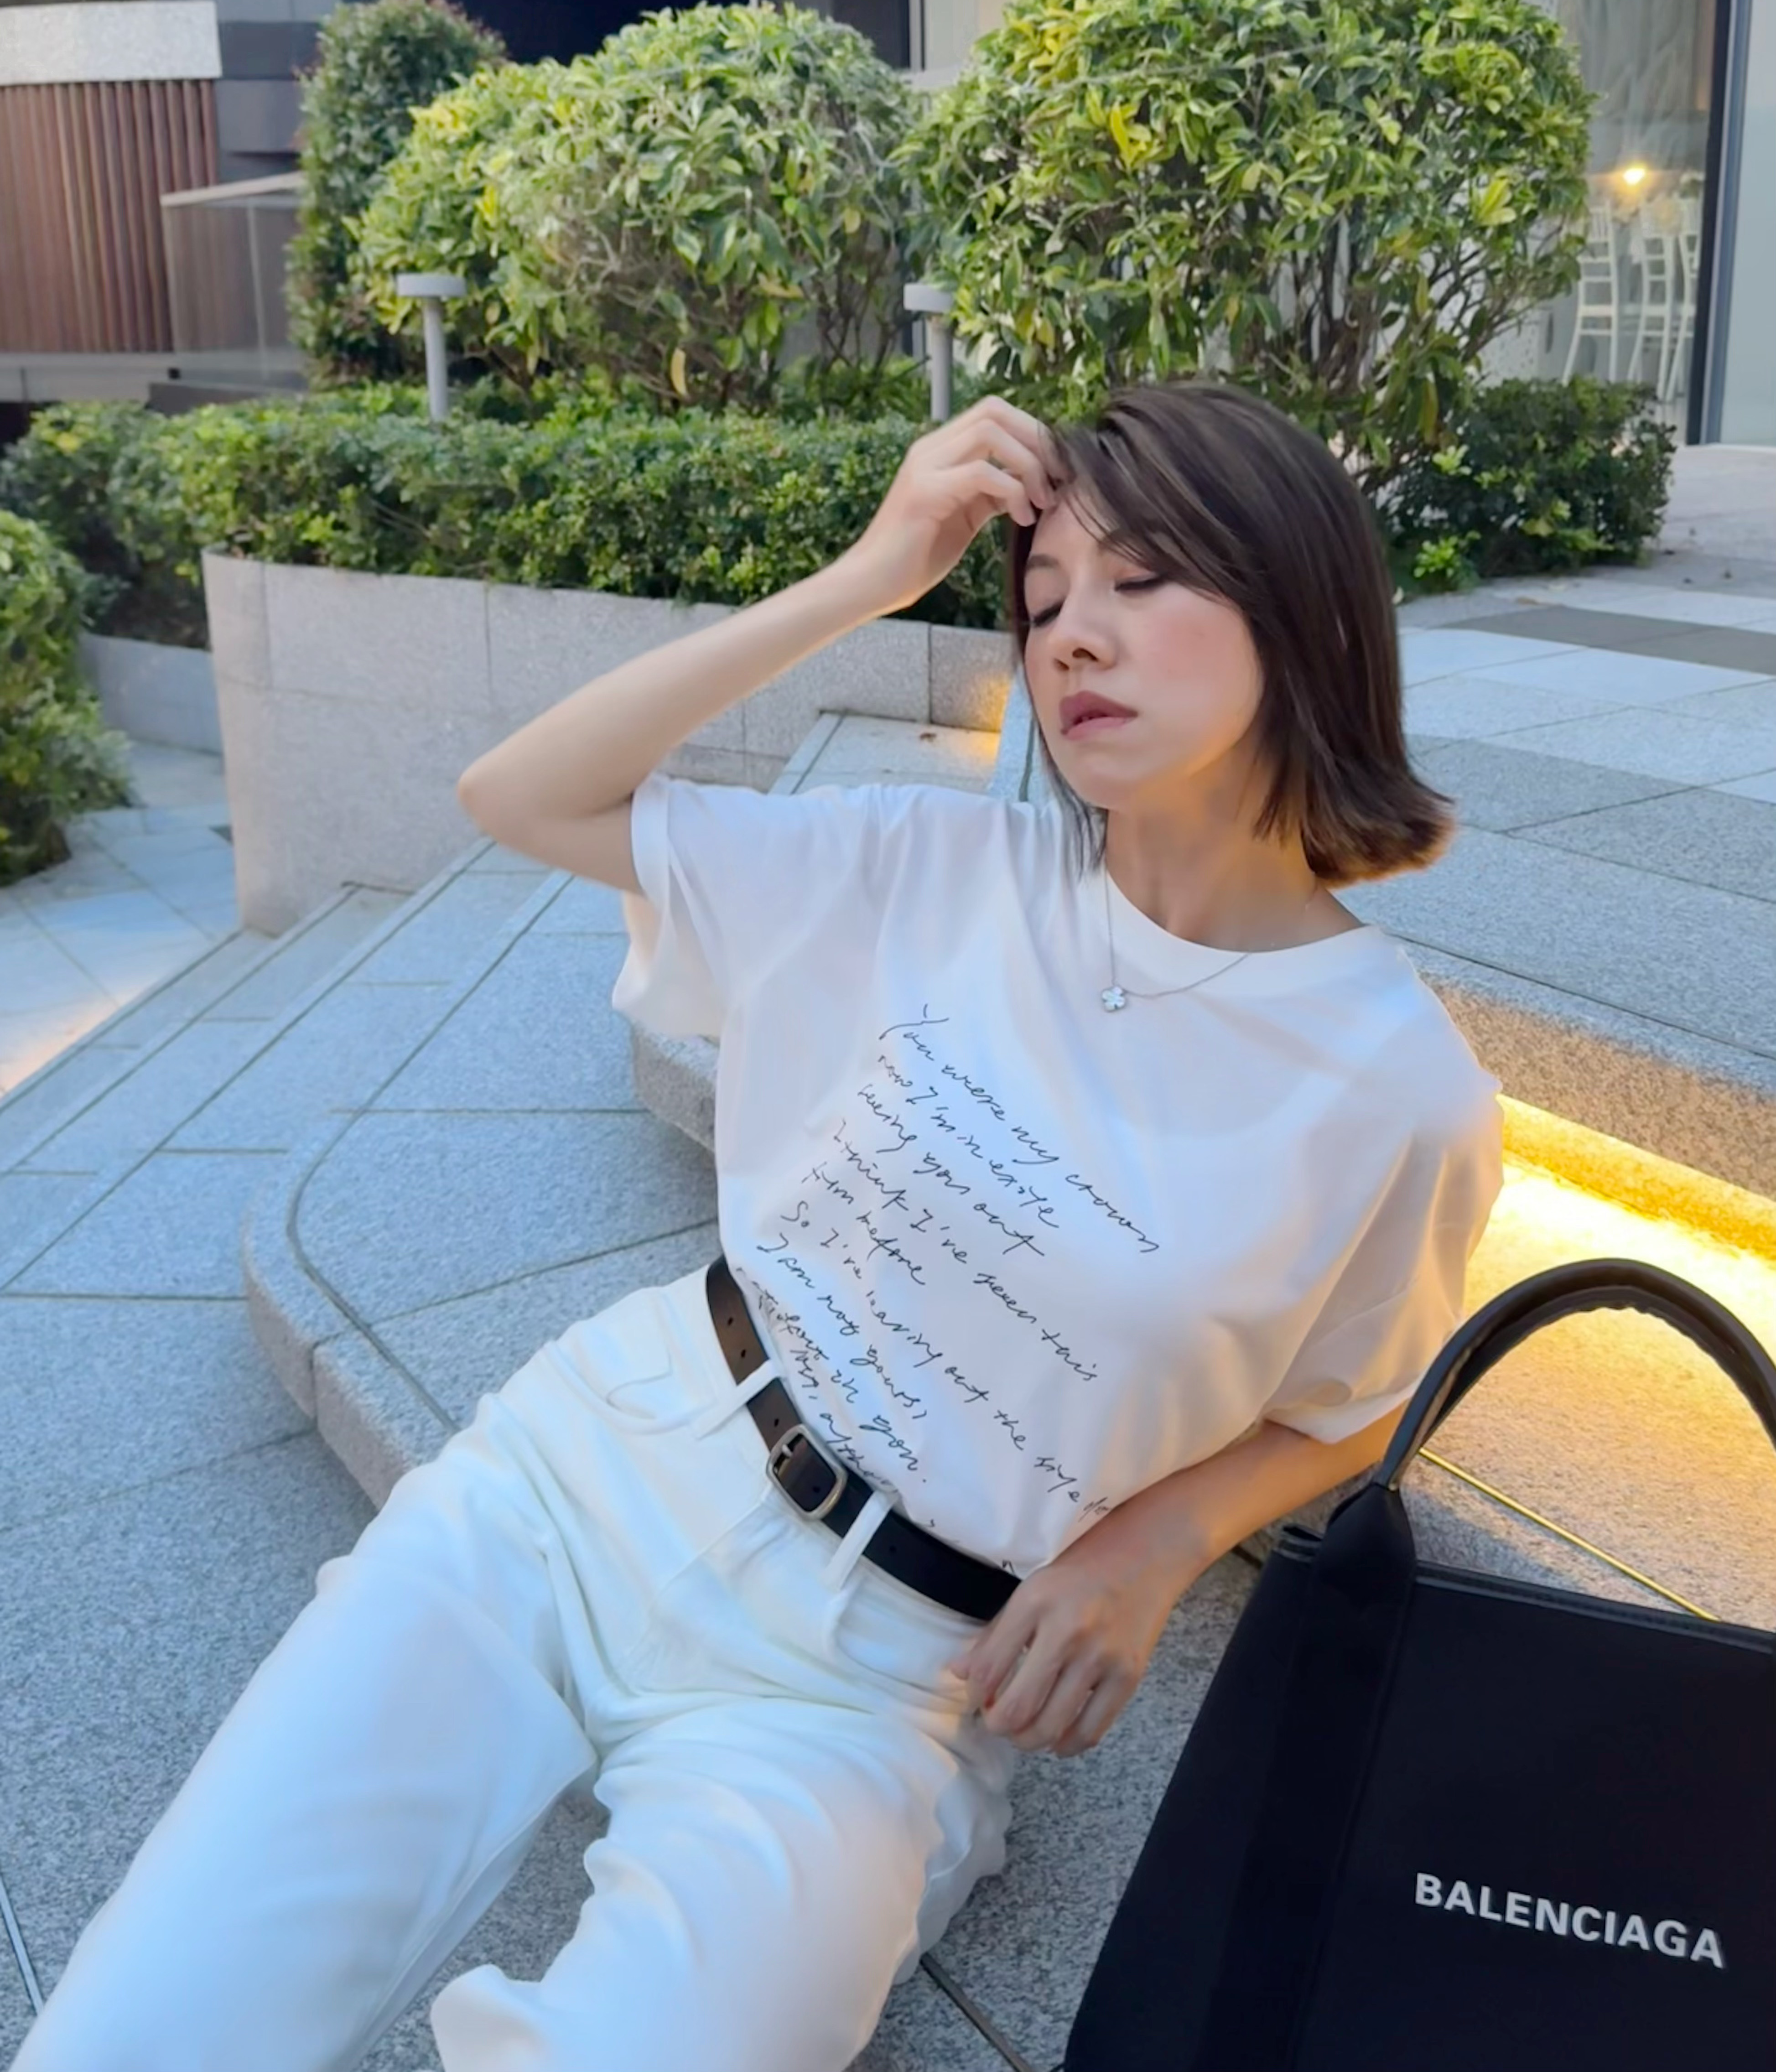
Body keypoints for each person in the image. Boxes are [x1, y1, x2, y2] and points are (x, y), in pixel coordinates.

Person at [12, 378, 1503, 2072]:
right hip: (598, 1470)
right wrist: (869, 575)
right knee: (144, 2023)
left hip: (878, 1688)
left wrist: (1152, 1545)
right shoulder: (922, 869)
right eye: (1041, 600)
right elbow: (523, 794)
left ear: (1301, 604)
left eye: (1142, 580)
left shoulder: (1397, 1091)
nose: (1076, 635)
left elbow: (1360, 1396)